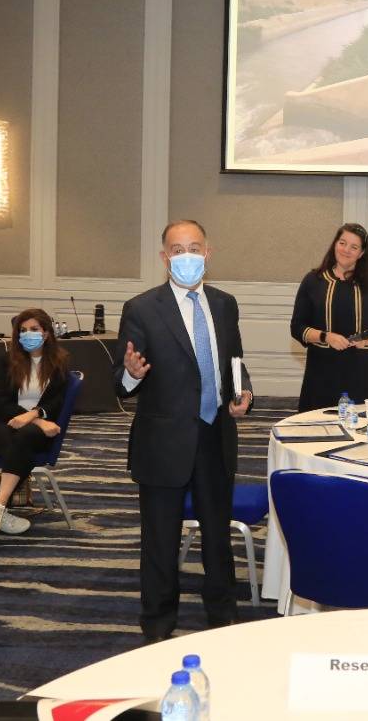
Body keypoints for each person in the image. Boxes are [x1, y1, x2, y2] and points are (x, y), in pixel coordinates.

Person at [115, 220, 253, 642]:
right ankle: (158, 624)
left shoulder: (225, 304)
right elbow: (119, 382)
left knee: (217, 536)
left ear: (208, 253)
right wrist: (132, 373)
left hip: (215, 436)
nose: (187, 256)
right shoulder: (141, 308)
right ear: (164, 258)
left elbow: (235, 362)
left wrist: (243, 392)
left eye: (194, 248)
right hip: (164, 443)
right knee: (160, 539)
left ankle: (222, 614)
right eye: (178, 250)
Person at [0, 308, 69, 535]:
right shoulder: (7, 361)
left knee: (23, 440)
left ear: (46, 333)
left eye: (34, 329)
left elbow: (57, 402)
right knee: (20, 447)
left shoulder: (59, 363)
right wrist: (37, 421)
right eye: (23, 330)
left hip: (32, 431)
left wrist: (33, 415)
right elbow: (1, 402)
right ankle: (1, 510)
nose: (27, 334)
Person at [289, 222, 368, 412]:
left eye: (354, 247)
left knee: (363, 427)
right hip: (321, 375)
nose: (346, 250)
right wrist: (326, 337)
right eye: (342, 243)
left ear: (362, 253)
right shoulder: (313, 281)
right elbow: (297, 327)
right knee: (318, 427)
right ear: (335, 244)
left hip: (363, 375)